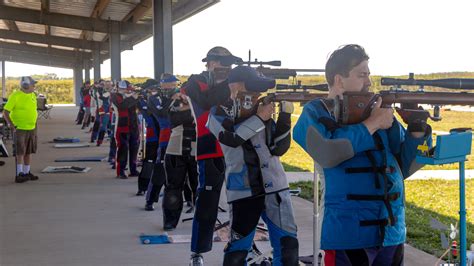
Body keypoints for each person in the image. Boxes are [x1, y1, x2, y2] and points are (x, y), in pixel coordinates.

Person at [293, 44, 432, 265]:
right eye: (362, 75)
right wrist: (372, 124)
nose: (368, 82)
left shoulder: (376, 111)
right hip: (348, 236)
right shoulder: (315, 111)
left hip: (391, 233)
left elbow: (407, 166)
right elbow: (327, 153)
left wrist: (418, 128)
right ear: (339, 80)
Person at [207, 65, 299, 265]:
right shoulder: (217, 112)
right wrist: (259, 118)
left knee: (288, 246)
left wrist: (284, 118)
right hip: (243, 190)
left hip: (275, 186)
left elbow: (278, 148)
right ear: (236, 86)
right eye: (254, 86)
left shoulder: (258, 108)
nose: (259, 92)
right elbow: (231, 138)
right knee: (238, 252)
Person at [177, 46, 242, 265]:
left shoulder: (230, 82)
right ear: (211, 63)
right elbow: (206, 101)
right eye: (223, 63)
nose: (227, 67)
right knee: (207, 204)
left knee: (243, 201)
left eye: (230, 65)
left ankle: (242, 246)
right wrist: (230, 83)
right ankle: (197, 252)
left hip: (234, 145)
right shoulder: (195, 81)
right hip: (209, 147)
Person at [162, 80, 198, 231]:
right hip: (176, 149)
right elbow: (175, 119)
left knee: (200, 188)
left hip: (197, 150)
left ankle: (203, 220)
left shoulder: (201, 102)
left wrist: (189, 107)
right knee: (173, 188)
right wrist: (192, 108)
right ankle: (170, 221)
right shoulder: (175, 101)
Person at [144, 73, 177, 211]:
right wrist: (173, 101)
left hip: (179, 133)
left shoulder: (177, 95)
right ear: (164, 84)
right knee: (160, 169)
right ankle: (150, 200)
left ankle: (189, 200)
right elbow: (163, 113)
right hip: (165, 135)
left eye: (175, 83)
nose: (175, 86)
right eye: (172, 83)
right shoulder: (154, 98)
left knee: (183, 169)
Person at [3, 76, 40, 183]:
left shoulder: (33, 95)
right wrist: (11, 125)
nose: (34, 86)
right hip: (19, 128)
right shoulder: (15, 96)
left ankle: (26, 172)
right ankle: (19, 174)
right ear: (26, 85)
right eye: (33, 84)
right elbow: (6, 112)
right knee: (20, 151)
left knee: (28, 151)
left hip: (31, 127)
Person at [110, 80, 140, 179]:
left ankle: (133, 169)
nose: (123, 90)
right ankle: (120, 171)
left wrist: (138, 97)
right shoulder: (114, 96)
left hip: (133, 126)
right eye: (122, 88)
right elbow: (122, 106)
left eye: (125, 88)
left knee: (134, 148)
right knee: (123, 149)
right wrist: (133, 97)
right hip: (121, 127)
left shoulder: (130, 96)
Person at [136, 79, 160, 196]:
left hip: (163, 134)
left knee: (162, 164)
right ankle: (143, 187)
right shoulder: (142, 101)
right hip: (151, 135)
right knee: (149, 162)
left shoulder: (160, 99)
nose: (153, 91)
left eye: (155, 89)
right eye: (151, 89)